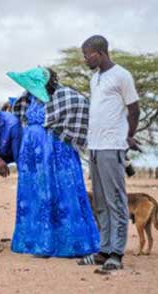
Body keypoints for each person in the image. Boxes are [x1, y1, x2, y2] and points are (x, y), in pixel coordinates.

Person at [8, 67, 100, 258]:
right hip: (33, 152)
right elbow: (18, 112)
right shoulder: (29, 98)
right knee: (35, 191)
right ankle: (37, 241)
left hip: (55, 149)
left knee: (61, 191)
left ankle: (67, 243)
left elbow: (82, 107)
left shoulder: (63, 96)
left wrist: (61, 130)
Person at [80, 35, 140, 270]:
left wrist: (128, 136)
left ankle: (116, 252)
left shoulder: (122, 75)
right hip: (94, 146)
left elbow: (134, 108)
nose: (85, 59)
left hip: (112, 146)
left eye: (87, 54)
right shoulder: (95, 78)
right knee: (101, 202)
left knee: (115, 199)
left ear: (100, 53)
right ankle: (103, 251)